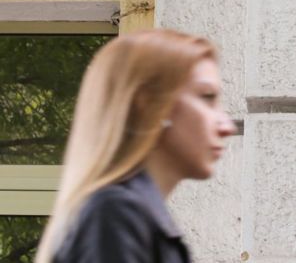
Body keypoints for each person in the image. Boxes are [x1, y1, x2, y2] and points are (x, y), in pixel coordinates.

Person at [35, 29, 236, 263]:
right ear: (149, 105)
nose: (226, 126)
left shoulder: (132, 216)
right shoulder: (116, 213)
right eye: (207, 97)